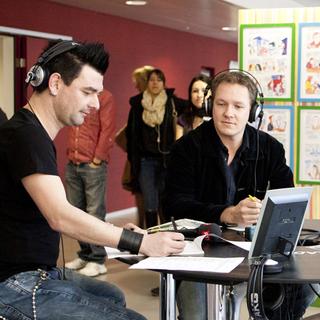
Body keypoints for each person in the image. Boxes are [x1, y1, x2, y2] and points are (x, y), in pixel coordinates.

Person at [0, 40, 185, 320]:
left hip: (35, 272)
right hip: (13, 284)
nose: (95, 104)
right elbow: (60, 216)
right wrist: (138, 242)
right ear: (54, 83)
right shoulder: (26, 136)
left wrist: (122, 233)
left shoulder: (32, 132)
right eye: (88, 92)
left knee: (113, 295)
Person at [164, 71, 317, 320]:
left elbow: (287, 199)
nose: (229, 113)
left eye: (238, 106)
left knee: (305, 286)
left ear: (253, 111)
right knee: (198, 315)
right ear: (210, 105)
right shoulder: (186, 149)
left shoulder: (270, 148)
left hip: (256, 251)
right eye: (222, 104)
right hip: (200, 251)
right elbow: (174, 204)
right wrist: (227, 213)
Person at [65, 88, 116, 277]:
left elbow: (107, 129)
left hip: (92, 165)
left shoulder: (105, 97)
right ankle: (85, 254)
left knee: (94, 212)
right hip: (73, 162)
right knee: (76, 211)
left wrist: (97, 159)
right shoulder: (76, 95)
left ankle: (97, 260)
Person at [126, 68, 181, 228]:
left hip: (166, 161)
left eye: (159, 80)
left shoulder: (171, 101)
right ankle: (151, 236)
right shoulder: (137, 104)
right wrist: (132, 157)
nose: (155, 83)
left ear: (164, 83)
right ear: (147, 83)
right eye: (152, 80)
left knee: (165, 201)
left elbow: (191, 110)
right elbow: (131, 133)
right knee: (149, 201)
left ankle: (167, 234)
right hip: (145, 161)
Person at [115, 65, 155, 228]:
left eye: (138, 83)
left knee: (153, 205)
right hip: (139, 162)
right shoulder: (137, 106)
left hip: (153, 164)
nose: (136, 86)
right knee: (142, 203)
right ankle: (142, 231)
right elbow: (125, 136)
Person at [176, 74, 211, 139]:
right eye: (195, 91)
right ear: (190, 95)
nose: (199, 95)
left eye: (204, 91)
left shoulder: (218, 119)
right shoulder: (183, 119)